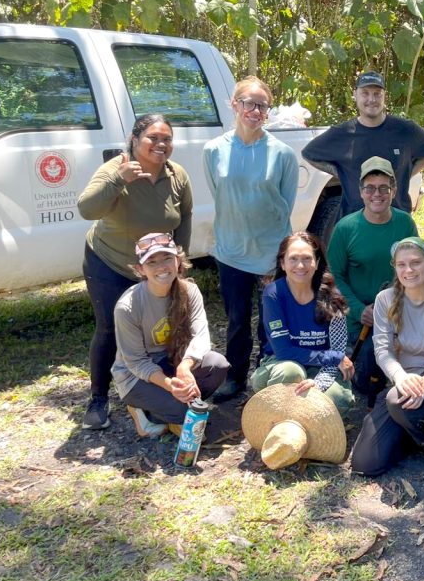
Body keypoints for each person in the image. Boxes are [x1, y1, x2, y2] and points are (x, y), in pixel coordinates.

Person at [77, 114, 193, 430]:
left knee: (162, 327)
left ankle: (154, 389)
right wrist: (120, 180)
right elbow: (87, 209)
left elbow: (183, 219)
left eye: (167, 138)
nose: (161, 144)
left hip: (155, 269)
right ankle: (98, 400)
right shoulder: (117, 168)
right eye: (153, 138)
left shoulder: (177, 175)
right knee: (110, 329)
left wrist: (179, 265)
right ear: (135, 139)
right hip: (110, 263)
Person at [204, 76, 299, 401]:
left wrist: (278, 255)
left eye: (262, 105)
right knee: (237, 320)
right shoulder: (214, 150)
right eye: (249, 103)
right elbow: (221, 195)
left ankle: (267, 375)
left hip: (271, 253)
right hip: (230, 251)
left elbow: (284, 205)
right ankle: (235, 378)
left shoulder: (282, 154)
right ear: (235, 105)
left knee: (271, 321)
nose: (255, 110)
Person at [350, 237, 424, 479]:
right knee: (365, 463)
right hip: (400, 383)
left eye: (415, 263)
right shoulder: (385, 300)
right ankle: (411, 431)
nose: (408, 270)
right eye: (401, 265)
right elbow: (382, 349)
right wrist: (400, 377)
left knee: (396, 400)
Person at [112, 233, 230, 435]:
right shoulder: (128, 306)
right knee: (189, 411)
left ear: (178, 261)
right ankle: (145, 412)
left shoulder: (189, 291)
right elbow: (136, 361)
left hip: (174, 361)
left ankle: (171, 409)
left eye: (167, 258)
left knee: (218, 365)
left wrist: (186, 366)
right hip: (137, 376)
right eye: (151, 262)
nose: (161, 267)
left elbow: (200, 336)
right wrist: (170, 386)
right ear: (140, 269)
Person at [327, 156, 418, 406]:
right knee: (366, 374)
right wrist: (359, 310)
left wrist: (396, 305)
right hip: (360, 320)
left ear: (394, 190)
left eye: (383, 188)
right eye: (370, 188)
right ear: (361, 192)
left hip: (397, 312)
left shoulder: (405, 223)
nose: (376, 194)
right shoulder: (346, 228)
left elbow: (417, 270)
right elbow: (334, 277)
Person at [302, 71, 424, 216]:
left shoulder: (404, 129)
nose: (371, 99)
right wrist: (342, 173)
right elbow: (308, 154)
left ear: (384, 96)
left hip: (397, 220)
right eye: (365, 93)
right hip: (355, 222)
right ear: (355, 95)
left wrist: (407, 173)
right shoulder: (342, 133)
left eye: (377, 93)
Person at [249, 232, 355, 415]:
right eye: (293, 259)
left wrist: (318, 383)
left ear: (317, 262)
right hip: (280, 364)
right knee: (291, 372)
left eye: (307, 258)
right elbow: (284, 351)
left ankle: (305, 420)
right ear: (282, 263)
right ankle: (277, 418)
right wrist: (334, 358)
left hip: (320, 367)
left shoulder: (332, 297)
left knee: (339, 400)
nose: (300, 265)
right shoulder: (273, 294)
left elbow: (337, 349)